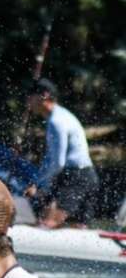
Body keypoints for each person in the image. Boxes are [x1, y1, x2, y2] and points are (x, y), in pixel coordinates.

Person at [23, 78, 99, 228]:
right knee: (77, 228)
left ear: (44, 95)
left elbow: (58, 163)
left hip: (76, 178)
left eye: (31, 95)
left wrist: (38, 184)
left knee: (47, 224)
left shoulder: (56, 122)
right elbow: (52, 160)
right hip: (85, 176)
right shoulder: (62, 115)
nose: (27, 99)